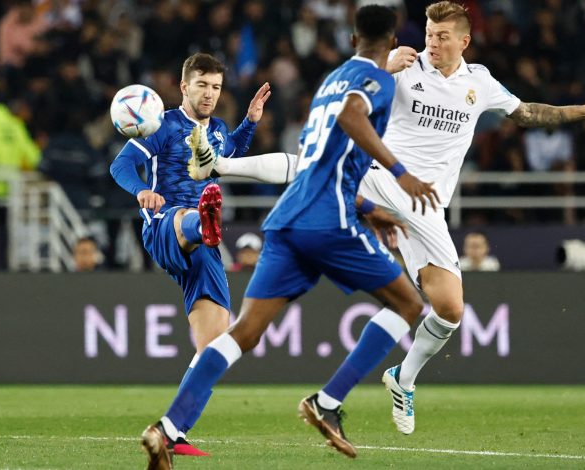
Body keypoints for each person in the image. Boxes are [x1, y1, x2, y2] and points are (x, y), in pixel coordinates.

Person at [198, 0, 585, 437]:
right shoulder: (404, 66)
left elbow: (530, 113)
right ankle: (221, 166)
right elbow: (347, 90)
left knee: (451, 309)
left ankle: (403, 378)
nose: (431, 43)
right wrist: (382, 65)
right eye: (428, 33)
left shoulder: (480, 82)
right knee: (315, 163)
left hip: (426, 207)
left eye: (441, 36)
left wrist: (584, 111)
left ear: (464, 41)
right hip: (382, 176)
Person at [142, 6, 440, 467]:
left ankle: (169, 427)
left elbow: (312, 161)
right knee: (409, 305)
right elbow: (352, 118)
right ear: (392, 37)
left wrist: (369, 209)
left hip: (288, 217)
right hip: (328, 219)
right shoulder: (376, 80)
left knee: (243, 332)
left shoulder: (331, 81)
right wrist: (401, 176)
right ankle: (327, 402)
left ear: (353, 35)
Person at [110, 52, 271, 459]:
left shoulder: (216, 128)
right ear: (184, 86)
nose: (209, 94)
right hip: (166, 225)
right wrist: (141, 191)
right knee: (188, 214)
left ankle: (174, 432)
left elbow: (229, 153)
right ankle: (204, 221)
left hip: (205, 248)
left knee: (215, 346)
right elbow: (121, 165)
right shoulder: (161, 124)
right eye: (201, 85)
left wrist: (249, 122)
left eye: (215, 87)